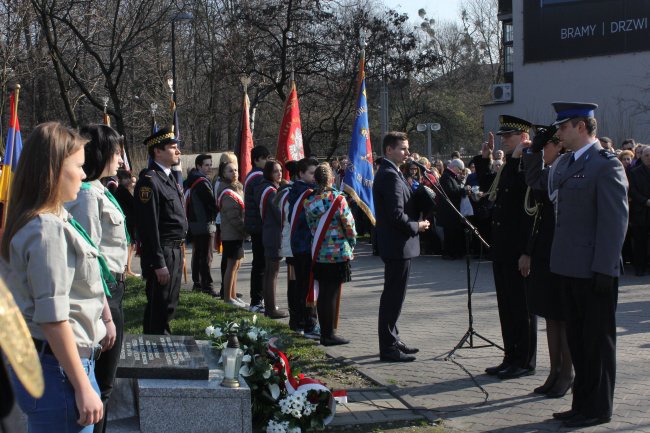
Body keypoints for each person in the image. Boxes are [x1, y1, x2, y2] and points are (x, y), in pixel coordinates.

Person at [524, 102, 628, 428]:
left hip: (594, 270)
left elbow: (614, 223)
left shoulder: (605, 165)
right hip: (568, 267)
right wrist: (534, 150)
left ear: (581, 126)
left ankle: (598, 408)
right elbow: (540, 184)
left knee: (597, 343)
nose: (558, 133)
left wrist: (605, 268)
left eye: (563, 127)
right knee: (579, 344)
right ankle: (581, 403)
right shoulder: (568, 163)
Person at [1, 122, 107, 431]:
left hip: (58, 366)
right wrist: (83, 386)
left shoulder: (49, 219)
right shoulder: (47, 230)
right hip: (61, 370)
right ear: (54, 170)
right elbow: (53, 318)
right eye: (78, 166)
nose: (85, 175)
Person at [65, 124, 129, 433]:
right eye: (116, 152)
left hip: (114, 289)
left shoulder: (100, 190)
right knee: (102, 385)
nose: (121, 160)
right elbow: (89, 260)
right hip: (103, 294)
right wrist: (104, 314)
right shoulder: (88, 197)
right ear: (101, 153)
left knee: (106, 383)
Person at [477, 115, 536, 380]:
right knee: (506, 306)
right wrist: (485, 160)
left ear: (524, 138)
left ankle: (524, 360)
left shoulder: (529, 163)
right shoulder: (510, 164)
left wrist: (527, 251)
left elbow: (529, 213)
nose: (504, 140)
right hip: (502, 247)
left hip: (517, 248)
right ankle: (510, 355)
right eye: (503, 136)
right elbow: (492, 189)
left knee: (521, 307)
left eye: (509, 136)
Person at [521, 126, 573, 399]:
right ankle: (554, 371)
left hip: (563, 251)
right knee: (550, 315)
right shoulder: (551, 173)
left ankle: (567, 372)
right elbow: (532, 177)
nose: (544, 153)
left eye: (547, 147)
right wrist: (533, 150)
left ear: (560, 148)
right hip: (545, 251)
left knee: (563, 316)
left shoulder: (567, 170)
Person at [373, 132, 430, 362]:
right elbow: (396, 216)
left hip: (397, 246)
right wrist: (418, 225)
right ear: (389, 150)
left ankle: (393, 338)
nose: (408, 153)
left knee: (396, 296)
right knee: (393, 297)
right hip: (397, 245)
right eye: (403, 149)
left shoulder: (394, 173)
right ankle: (388, 348)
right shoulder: (389, 176)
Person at [134, 126, 188, 335]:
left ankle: (158, 344)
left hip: (174, 249)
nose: (178, 152)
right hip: (163, 251)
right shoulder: (149, 181)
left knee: (169, 303)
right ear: (157, 151)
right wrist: (158, 262)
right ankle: (156, 349)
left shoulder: (168, 178)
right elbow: (149, 226)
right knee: (160, 303)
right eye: (173, 147)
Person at [304, 163, 356, 346]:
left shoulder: (309, 201)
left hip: (319, 252)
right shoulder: (338, 199)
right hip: (338, 253)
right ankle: (329, 334)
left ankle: (325, 332)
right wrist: (353, 242)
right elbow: (349, 226)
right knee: (331, 293)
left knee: (324, 293)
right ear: (331, 179)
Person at [288, 157, 320, 338]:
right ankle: (309, 324)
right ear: (301, 174)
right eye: (311, 173)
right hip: (304, 245)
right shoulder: (303, 192)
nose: (315, 177)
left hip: (304, 245)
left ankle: (300, 322)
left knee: (304, 285)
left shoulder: (304, 190)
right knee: (308, 286)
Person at [255, 160, 288, 318]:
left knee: (269, 272)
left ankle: (269, 306)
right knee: (272, 272)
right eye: (276, 171)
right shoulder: (271, 191)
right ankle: (271, 309)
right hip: (273, 234)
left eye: (280, 170)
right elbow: (280, 213)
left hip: (268, 232)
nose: (280, 173)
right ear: (269, 173)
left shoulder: (265, 187)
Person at [216, 161, 248, 307]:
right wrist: (245, 230)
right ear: (223, 173)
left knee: (237, 265)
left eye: (236, 170)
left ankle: (233, 295)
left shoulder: (236, 188)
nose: (234, 173)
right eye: (230, 171)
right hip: (231, 233)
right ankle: (228, 298)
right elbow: (233, 217)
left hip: (237, 233)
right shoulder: (227, 192)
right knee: (231, 265)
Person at [186, 154, 218, 295]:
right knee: (206, 256)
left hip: (194, 223)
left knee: (198, 254)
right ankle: (207, 286)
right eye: (206, 165)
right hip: (204, 223)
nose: (209, 167)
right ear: (199, 166)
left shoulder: (190, 180)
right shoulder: (201, 182)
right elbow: (211, 203)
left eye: (211, 164)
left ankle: (197, 284)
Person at [244, 146, 270, 312]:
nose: (267, 161)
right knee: (260, 264)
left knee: (260, 264)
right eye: (265, 158)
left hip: (256, 225)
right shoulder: (258, 177)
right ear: (256, 160)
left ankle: (258, 299)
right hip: (259, 226)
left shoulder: (252, 175)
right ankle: (256, 300)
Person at [437, 158, 466, 260]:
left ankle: (453, 253)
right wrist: (463, 190)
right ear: (455, 167)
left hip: (451, 211)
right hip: (448, 211)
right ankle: (448, 253)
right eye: (460, 169)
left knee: (453, 233)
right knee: (449, 233)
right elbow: (450, 192)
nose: (460, 172)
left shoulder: (451, 176)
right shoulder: (446, 177)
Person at [629, 146, 650, 276]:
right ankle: (639, 267)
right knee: (639, 241)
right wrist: (645, 201)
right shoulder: (635, 172)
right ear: (641, 157)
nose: (649, 158)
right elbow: (632, 191)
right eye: (646, 155)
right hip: (640, 212)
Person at [114, 169, 139, 277]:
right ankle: (127, 269)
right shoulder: (121, 190)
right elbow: (133, 204)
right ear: (121, 179)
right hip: (128, 221)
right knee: (129, 245)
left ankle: (127, 269)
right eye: (127, 178)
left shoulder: (123, 190)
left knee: (131, 245)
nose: (129, 180)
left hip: (129, 220)